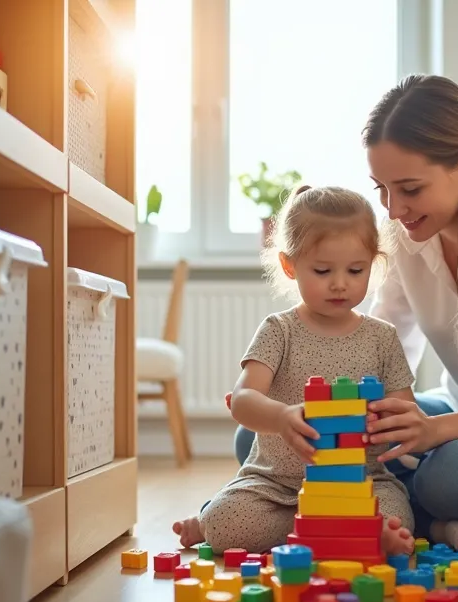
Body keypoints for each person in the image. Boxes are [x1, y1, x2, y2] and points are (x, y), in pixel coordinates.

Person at [232, 75, 458, 557]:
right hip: (455, 416)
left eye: (409, 188)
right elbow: (379, 342)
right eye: (381, 190)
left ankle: (378, 511)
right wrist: (334, 415)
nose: (393, 210)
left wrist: (435, 431)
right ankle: (428, 525)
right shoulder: (412, 228)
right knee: (267, 437)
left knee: (457, 474)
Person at [174, 184, 418, 556]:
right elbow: (242, 400)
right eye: (322, 270)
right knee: (225, 525)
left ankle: (337, 528)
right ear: (290, 266)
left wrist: (382, 421)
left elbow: (403, 413)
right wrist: (284, 416)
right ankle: (325, 531)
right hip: (277, 487)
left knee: (397, 513)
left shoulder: (382, 337)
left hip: (360, 483)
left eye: (356, 270)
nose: (340, 283)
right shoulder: (279, 330)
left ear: (375, 262)